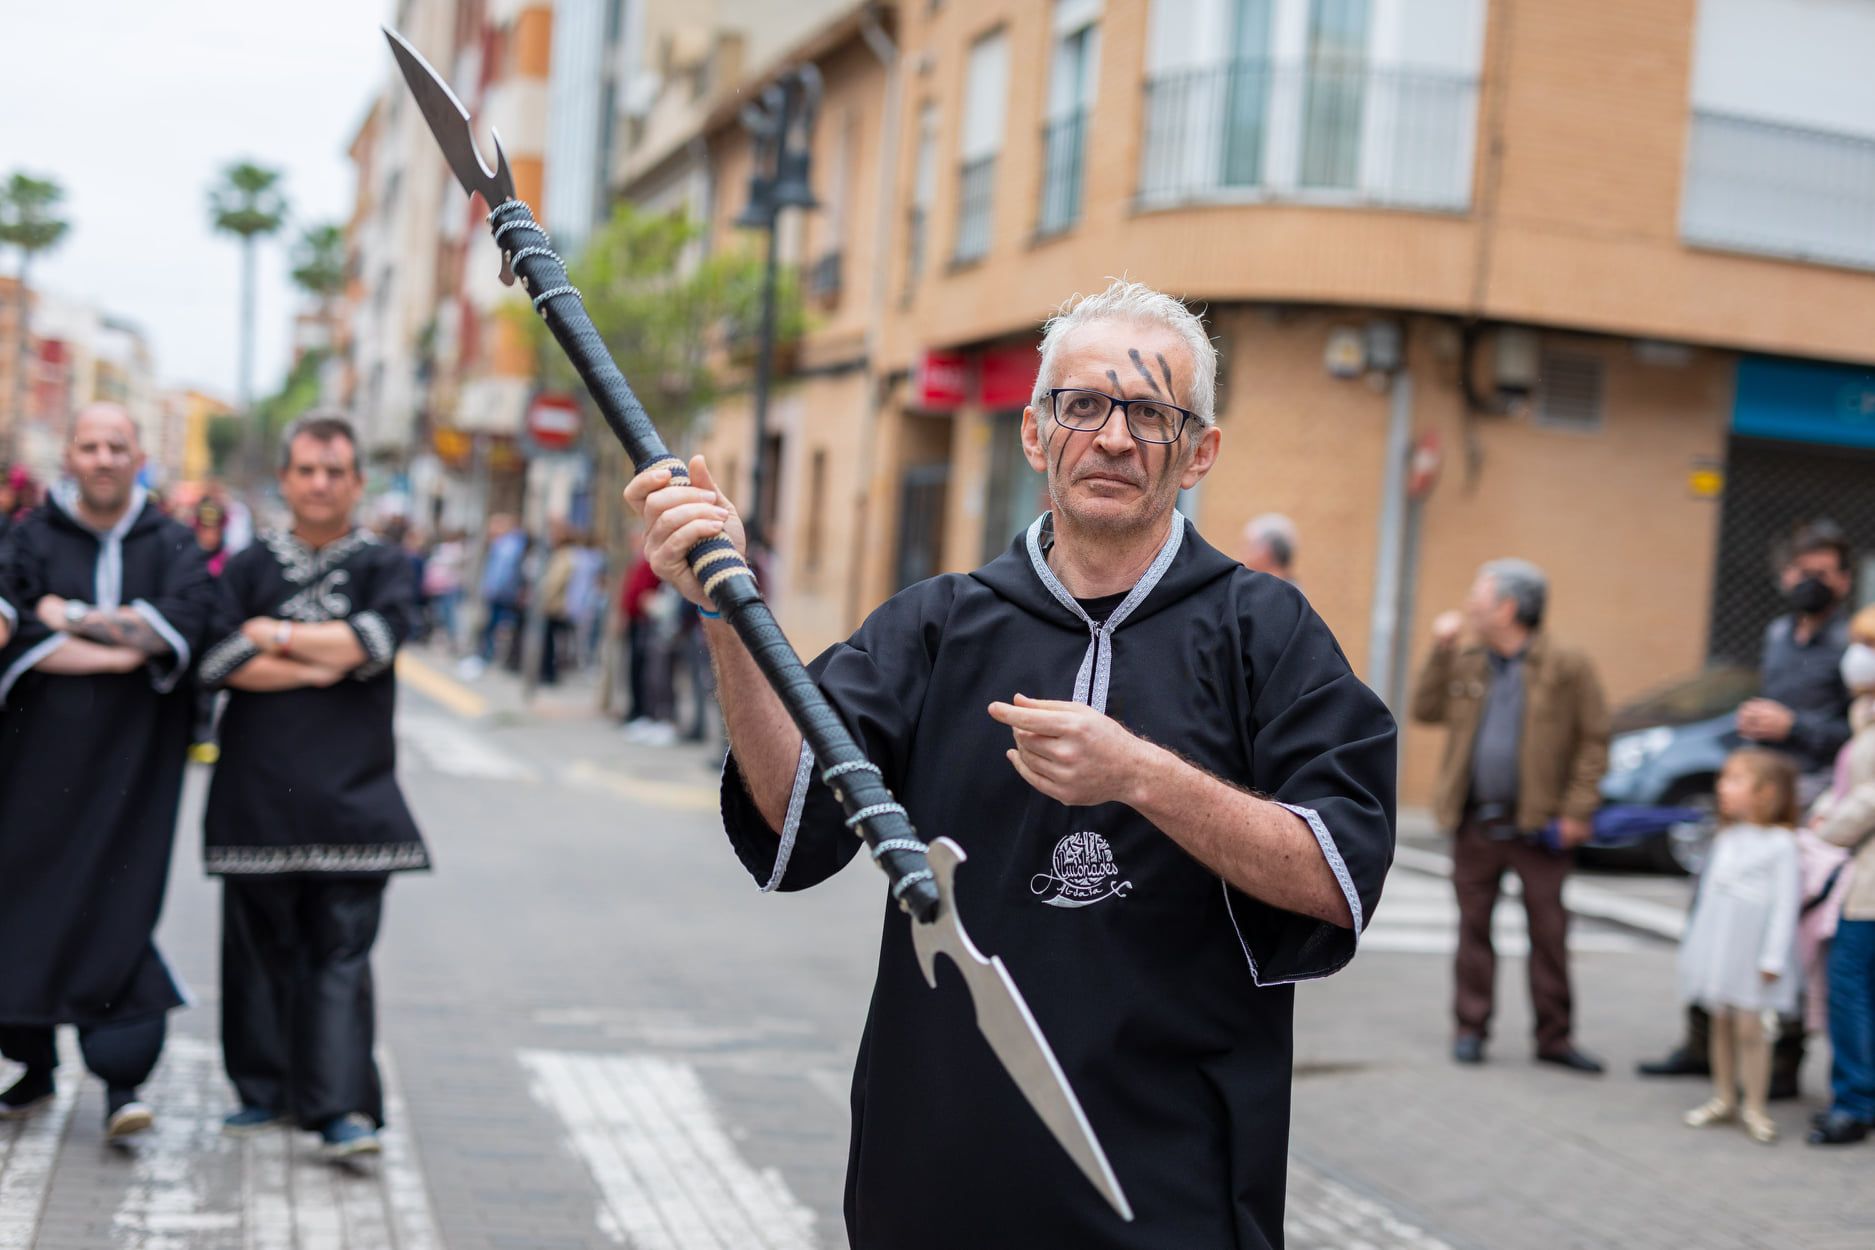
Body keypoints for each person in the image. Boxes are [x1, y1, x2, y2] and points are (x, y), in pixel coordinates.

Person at [626, 280, 1396, 1248]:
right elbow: (790, 815)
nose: (1113, 436)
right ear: (1035, 433)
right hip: (934, 1192)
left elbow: (1338, 871)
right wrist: (726, 613)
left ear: (1199, 450)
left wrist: (1139, 773)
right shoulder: (936, 625)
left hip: (1170, 1199)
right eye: (1083, 405)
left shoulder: (1266, 634)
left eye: (1149, 412)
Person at [195, 413, 429, 1160]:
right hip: (256, 794)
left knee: (339, 953)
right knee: (257, 947)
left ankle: (339, 1110)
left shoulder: (386, 564)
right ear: (286, 480)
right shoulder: (247, 567)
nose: (321, 482)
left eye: (335, 471)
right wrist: (326, 656)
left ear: (357, 481)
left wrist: (278, 636)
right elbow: (220, 661)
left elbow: (377, 643)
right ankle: (262, 1092)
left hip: (355, 796)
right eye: (306, 470)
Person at [0, 403, 217, 1139]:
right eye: (88, 445)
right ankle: (31, 1067)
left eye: (115, 446)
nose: (101, 458)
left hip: (135, 774)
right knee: (20, 905)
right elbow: (15, 628)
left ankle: (122, 1080)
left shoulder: (174, 543)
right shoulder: (27, 539)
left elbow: (183, 625)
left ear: (138, 456)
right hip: (31, 772)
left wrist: (69, 618)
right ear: (68, 454)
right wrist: (126, 639)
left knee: (119, 904)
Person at [1640, 521, 1854, 1091]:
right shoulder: (1780, 633)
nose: (1809, 583)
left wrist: (1796, 726)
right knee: (1712, 907)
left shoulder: (1851, 647)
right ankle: (1702, 1042)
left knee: (1786, 928)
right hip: (1753, 791)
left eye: (1822, 574)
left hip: (1809, 802)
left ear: (1845, 579)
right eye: (1801, 572)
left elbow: (1854, 735)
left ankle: (1782, 1061)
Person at [1411, 559, 1610, 1073]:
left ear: (1509, 607)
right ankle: (1470, 1028)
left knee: (1548, 933)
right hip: (1476, 822)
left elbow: (1594, 740)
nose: (1470, 604)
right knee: (1473, 930)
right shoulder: (1468, 657)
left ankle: (1555, 1037)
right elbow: (1425, 709)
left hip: (1540, 827)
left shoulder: (1567, 664)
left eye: (1480, 595)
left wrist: (1577, 809)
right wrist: (1440, 650)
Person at [1678, 749, 1802, 1144]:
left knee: (1752, 1028)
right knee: (1721, 1021)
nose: (1722, 788)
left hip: (1752, 951)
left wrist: (1773, 956)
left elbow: (1785, 905)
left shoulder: (1781, 843)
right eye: (1723, 779)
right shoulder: (1727, 836)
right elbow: (1710, 897)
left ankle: (1756, 1105)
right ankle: (1724, 1097)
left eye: (1734, 780)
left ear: (1765, 793)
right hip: (1719, 946)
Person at [1809, 605, 1875, 1145]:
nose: (1860, 657)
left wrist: (1829, 825)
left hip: (1871, 887)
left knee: (1850, 989)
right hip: (1863, 879)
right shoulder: (1865, 716)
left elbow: (1867, 801)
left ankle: (1855, 1101)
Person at [470, 512, 525, 674]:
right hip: (501, 593)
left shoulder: (506, 547)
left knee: (495, 627)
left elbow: (503, 574)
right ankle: (490, 655)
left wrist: (492, 590)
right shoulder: (507, 545)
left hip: (500, 594)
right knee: (496, 626)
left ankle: (488, 656)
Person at [423, 527, 467, 652]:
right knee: (442, 614)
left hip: (446, 587)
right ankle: (444, 638)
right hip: (443, 587)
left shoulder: (449, 550)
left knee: (447, 615)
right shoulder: (449, 550)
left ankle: (449, 639)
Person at [1240, 512, 1298, 582]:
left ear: (1266, 552)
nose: (1244, 553)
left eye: (1250, 547)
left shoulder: (1271, 590)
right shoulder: (1291, 589)